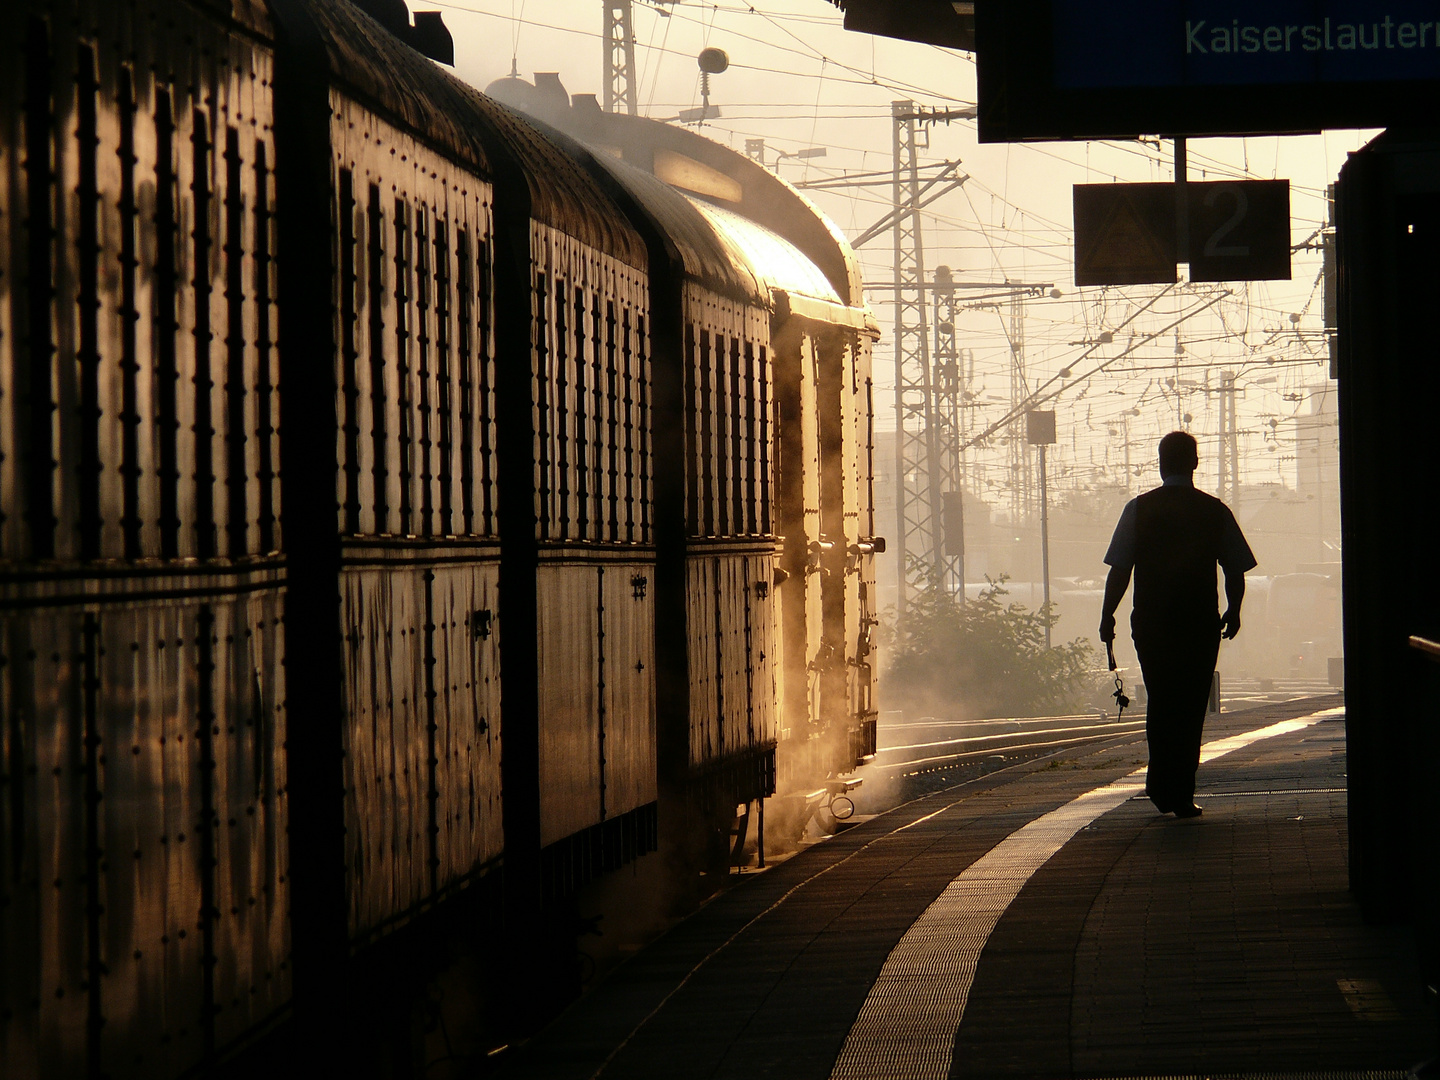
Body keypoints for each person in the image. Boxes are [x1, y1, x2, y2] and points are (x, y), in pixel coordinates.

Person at [1099, 431, 1256, 818]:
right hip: (1199, 623)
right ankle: (1181, 792)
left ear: (1160, 463)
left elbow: (1120, 568)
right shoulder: (1214, 510)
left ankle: (1160, 784)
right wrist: (1234, 609)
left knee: (1163, 699)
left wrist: (1108, 615)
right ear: (1195, 463)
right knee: (1189, 706)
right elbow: (1235, 567)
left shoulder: (1138, 509)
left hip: (1152, 624)